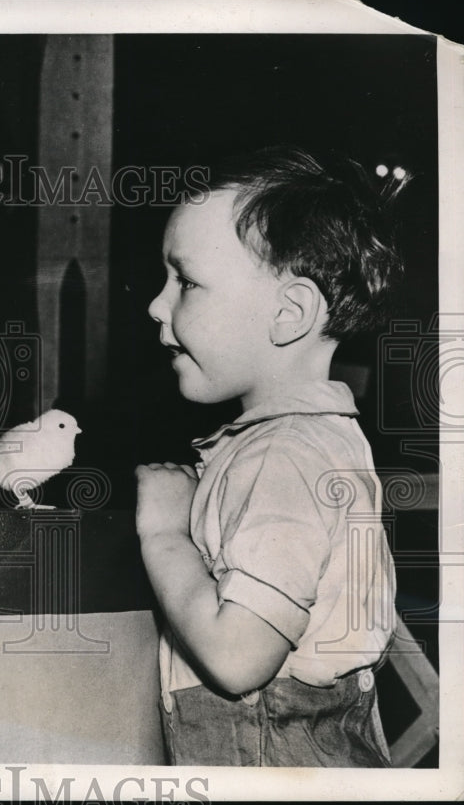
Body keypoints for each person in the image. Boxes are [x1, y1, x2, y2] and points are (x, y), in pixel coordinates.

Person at [136, 146, 401, 766]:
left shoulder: (284, 456)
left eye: (187, 282)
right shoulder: (307, 443)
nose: (155, 304)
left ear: (289, 313)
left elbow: (236, 660)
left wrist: (163, 534)